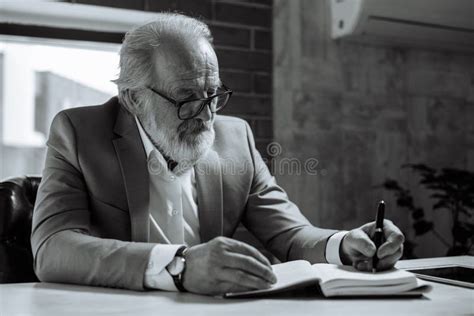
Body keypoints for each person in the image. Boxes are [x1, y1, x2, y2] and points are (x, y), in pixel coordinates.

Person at [31, 13, 404, 296]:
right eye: (187, 98)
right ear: (133, 99)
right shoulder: (79, 132)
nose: (208, 114)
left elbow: (290, 233)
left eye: (213, 94)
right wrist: (179, 266)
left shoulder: (234, 137)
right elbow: (53, 249)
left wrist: (345, 243)